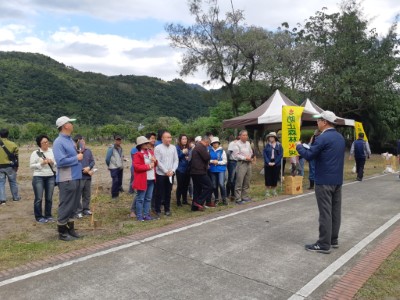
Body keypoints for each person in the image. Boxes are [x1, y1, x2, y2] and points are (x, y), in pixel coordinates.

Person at [296, 110, 345, 254]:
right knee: (335, 211)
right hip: (337, 179)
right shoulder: (339, 137)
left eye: (319, 120)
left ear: (324, 122)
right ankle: (333, 239)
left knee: (325, 212)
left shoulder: (322, 138)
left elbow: (309, 155)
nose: (317, 122)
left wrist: (299, 146)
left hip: (324, 180)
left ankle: (323, 243)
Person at [53, 116, 83, 241]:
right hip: (67, 178)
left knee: (74, 205)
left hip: (76, 176)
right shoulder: (58, 142)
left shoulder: (70, 140)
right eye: (70, 122)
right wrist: (77, 158)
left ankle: (71, 229)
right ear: (65, 125)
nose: (72, 124)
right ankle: (62, 231)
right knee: (66, 204)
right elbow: (60, 161)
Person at [29, 134, 56, 223]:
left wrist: (52, 162)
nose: (46, 143)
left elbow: (56, 164)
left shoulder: (52, 151)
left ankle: (48, 215)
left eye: (47, 142)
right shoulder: (35, 153)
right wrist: (41, 163)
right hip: (38, 177)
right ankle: (39, 216)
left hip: (50, 176)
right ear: (39, 144)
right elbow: (31, 166)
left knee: (49, 198)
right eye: (43, 142)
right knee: (39, 198)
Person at [131, 136, 157, 221]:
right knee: (140, 198)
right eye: (145, 143)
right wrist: (149, 166)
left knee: (148, 198)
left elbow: (155, 165)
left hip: (151, 178)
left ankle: (146, 215)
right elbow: (137, 167)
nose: (147, 144)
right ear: (141, 145)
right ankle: (139, 216)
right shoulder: (137, 154)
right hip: (143, 179)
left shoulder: (150, 153)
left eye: (147, 143)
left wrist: (155, 161)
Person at [154, 131, 178, 217]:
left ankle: (167, 209)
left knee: (168, 192)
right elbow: (158, 161)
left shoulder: (173, 148)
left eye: (170, 137)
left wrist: (173, 170)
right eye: (167, 137)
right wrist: (165, 171)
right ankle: (157, 209)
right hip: (161, 174)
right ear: (162, 138)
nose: (169, 139)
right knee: (159, 192)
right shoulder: (158, 148)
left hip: (171, 174)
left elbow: (176, 160)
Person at [74, 135, 95, 218]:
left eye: (83, 141)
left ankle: (85, 209)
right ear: (77, 143)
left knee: (87, 194)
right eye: (80, 141)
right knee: (78, 194)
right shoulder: (74, 152)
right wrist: (84, 170)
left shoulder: (88, 151)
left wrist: (89, 168)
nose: (83, 143)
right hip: (79, 177)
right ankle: (78, 211)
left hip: (88, 177)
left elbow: (92, 161)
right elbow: (74, 164)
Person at [190, 136, 213, 211]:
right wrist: (209, 154)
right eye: (208, 144)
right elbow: (207, 157)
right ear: (206, 142)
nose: (208, 145)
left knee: (197, 189)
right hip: (199, 171)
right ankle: (198, 202)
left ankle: (194, 207)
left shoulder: (197, 146)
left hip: (195, 171)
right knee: (209, 186)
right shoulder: (201, 147)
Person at [232, 130, 254, 205]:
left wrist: (250, 157)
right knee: (239, 181)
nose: (245, 136)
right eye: (243, 135)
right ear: (240, 136)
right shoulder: (236, 144)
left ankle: (244, 196)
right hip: (241, 163)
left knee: (247, 180)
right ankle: (238, 198)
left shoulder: (248, 143)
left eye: (246, 135)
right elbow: (236, 155)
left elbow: (250, 151)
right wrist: (245, 158)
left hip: (248, 163)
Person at [0, 128, 20, 205]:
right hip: (10, 166)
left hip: (0, 167)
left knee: (1, 183)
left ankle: (2, 200)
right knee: (13, 182)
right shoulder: (13, 144)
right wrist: (17, 166)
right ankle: (15, 197)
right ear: (7, 135)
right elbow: (16, 156)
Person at [263, 132, 283, 197]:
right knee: (268, 177)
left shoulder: (279, 145)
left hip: (276, 163)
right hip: (268, 163)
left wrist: (275, 162)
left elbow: (280, 155)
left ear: (275, 138)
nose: (270, 138)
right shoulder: (267, 145)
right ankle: (267, 191)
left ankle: (274, 190)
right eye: (269, 137)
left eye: (272, 137)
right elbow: (265, 154)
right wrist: (268, 162)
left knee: (275, 176)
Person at [209, 137, 228, 205]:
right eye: (214, 143)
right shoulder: (209, 151)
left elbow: (225, 161)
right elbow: (207, 160)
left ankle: (224, 198)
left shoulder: (222, 151)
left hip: (221, 169)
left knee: (221, 184)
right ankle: (216, 199)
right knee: (214, 185)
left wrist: (218, 162)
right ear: (212, 144)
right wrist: (212, 161)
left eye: (216, 143)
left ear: (218, 143)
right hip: (212, 170)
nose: (215, 144)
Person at [105, 135, 125, 199]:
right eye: (117, 140)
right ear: (115, 140)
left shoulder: (121, 148)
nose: (118, 141)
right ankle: (114, 195)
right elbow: (107, 159)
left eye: (119, 140)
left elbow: (121, 157)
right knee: (115, 181)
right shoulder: (111, 148)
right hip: (113, 168)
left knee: (119, 181)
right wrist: (109, 165)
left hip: (120, 167)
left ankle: (117, 194)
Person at [175, 134, 191, 206]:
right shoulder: (177, 147)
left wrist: (189, 157)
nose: (184, 140)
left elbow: (191, 155)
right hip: (180, 169)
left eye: (185, 139)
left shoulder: (189, 147)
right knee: (180, 185)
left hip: (188, 168)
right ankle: (178, 201)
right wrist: (182, 153)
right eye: (183, 139)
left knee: (186, 185)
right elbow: (176, 157)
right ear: (180, 140)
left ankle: (185, 200)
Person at [226, 135, 239, 201]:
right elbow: (228, 153)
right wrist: (227, 162)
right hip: (232, 162)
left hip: (238, 162)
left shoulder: (240, 144)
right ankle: (227, 194)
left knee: (235, 179)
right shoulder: (232, 143)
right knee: (231, 179)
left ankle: (233, 194)